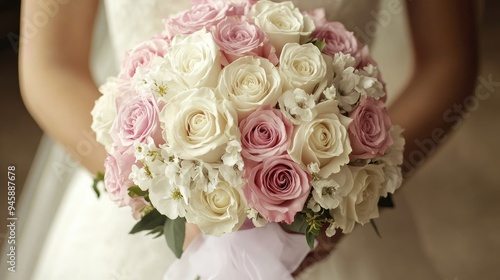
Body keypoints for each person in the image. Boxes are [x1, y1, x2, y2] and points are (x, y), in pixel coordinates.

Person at [19, 0, 478, 279]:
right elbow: (50, 64)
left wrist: (348, 193)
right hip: (144, 211)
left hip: (335, 214)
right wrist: (165, 196)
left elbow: (448, 60)